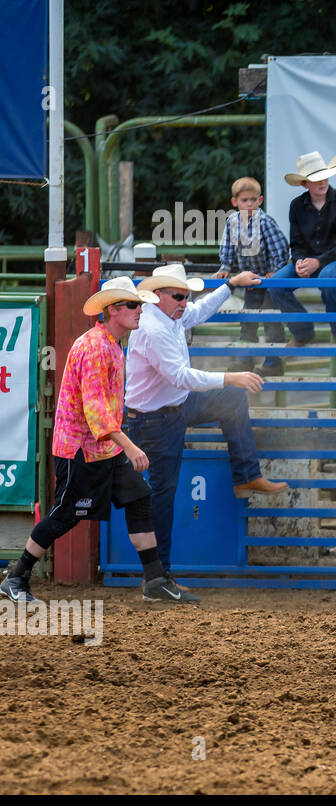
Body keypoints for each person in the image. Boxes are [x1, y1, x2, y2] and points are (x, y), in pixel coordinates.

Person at [0, 279, 189, 605]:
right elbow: (96, 411)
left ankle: (155, 578)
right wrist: (129, 445)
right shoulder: (96, 347)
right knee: (65, 515)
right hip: (81, 450)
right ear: (113, 309)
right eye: (132, 305)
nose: (139, 310)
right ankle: (16, 576)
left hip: (102, 446)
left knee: (139, 497)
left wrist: (121, 444)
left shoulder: (111, 344)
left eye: (139, 304)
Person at [125, 264, 288, 589]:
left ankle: (246, 476)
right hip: (155, 421)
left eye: (186, 295)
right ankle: (158, 576)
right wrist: (231, 376)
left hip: (173, 407)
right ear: (158, 296)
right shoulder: (154, 330)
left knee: (232, 399)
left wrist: (230, 283)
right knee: (162, 495)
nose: (185, 301)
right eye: (178, 296)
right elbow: (181, 376)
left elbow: (199, 311)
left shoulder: (168, 315)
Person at [262, 151, 336, 375]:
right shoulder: (296, 206)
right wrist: (298, 262)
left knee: (328, 277)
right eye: (316, 178)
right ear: (305, 184)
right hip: (312, 260)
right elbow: (296, 243)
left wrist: (317, 262)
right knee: (276, 283)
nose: (323, 181)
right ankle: (302, 330)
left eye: (324, 176)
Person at [217, 176, 289, 369]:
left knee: (270, 317)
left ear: (260, 200)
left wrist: (276, 270)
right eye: (244, 200)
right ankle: (245, 359)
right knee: (248, 317)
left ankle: (273, 361)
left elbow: (279, 246)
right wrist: (225, 267)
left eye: (253, 200)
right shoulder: (232, 222)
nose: (249, 204)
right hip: (249, 280)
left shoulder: (265, 222)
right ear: (235, 202)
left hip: (267, 281)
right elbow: (228, 246)